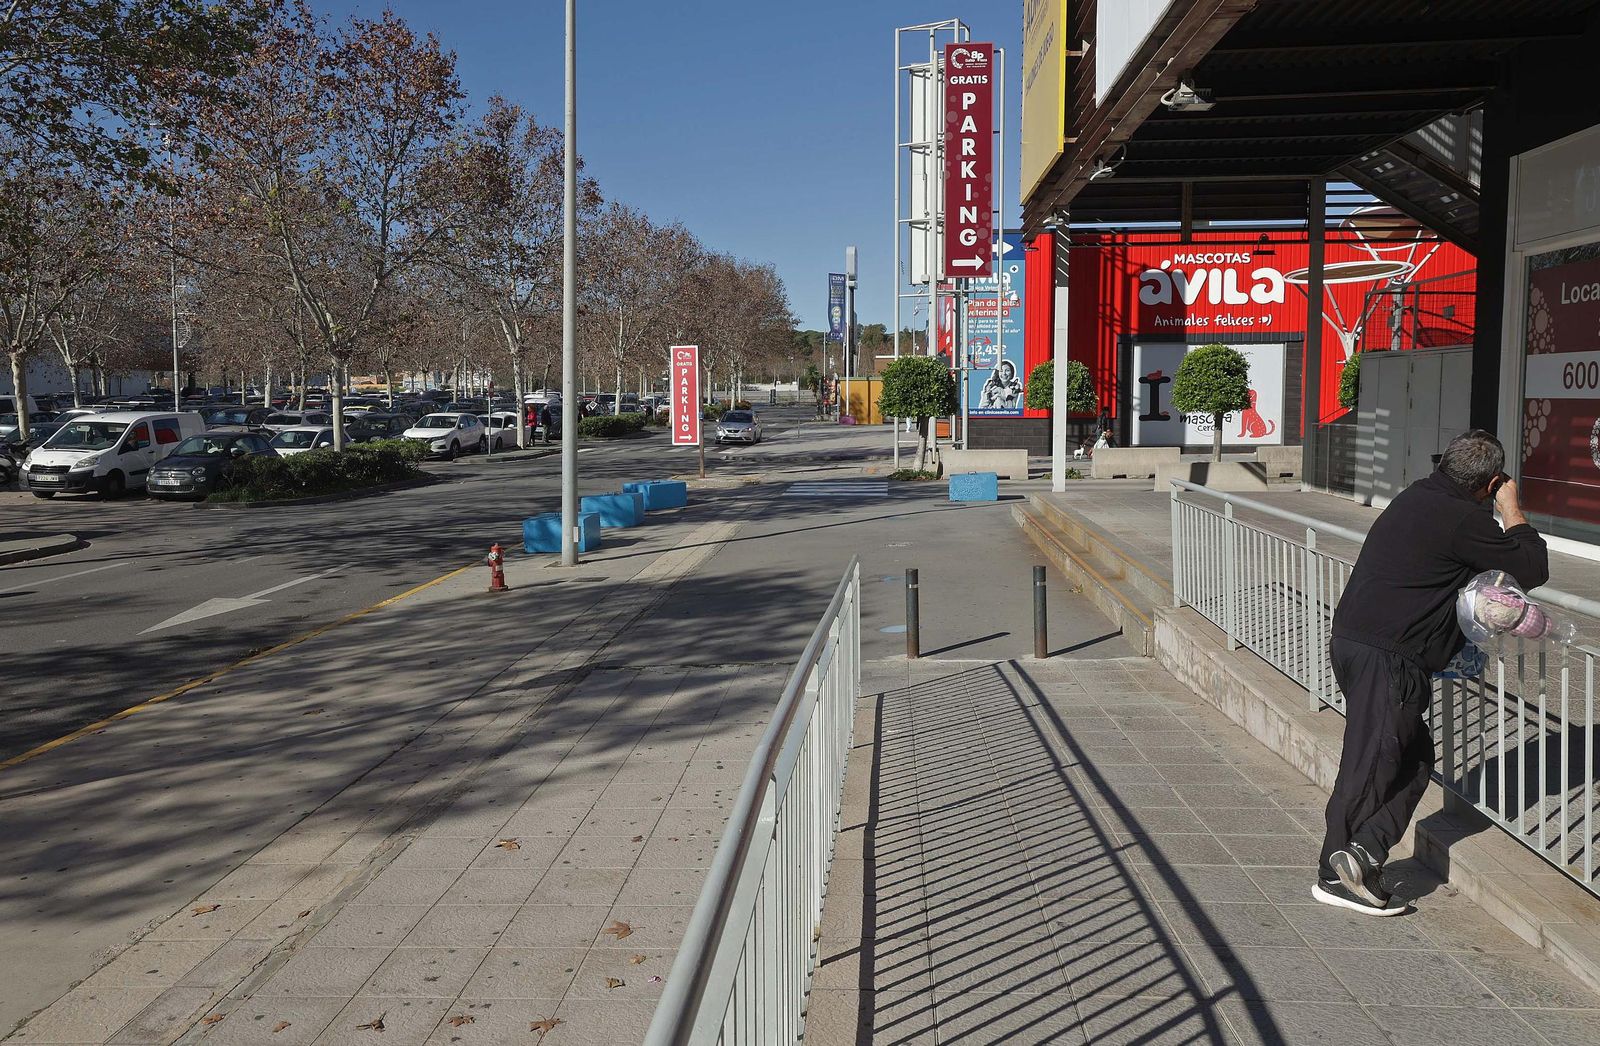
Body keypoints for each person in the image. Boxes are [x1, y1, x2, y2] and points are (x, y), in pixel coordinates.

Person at [1316, 430, 1548, 916]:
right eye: (1495, 486)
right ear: (1488, 483)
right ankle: (1334, 876)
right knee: (1373, 764)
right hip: (1388, 657)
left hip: (1357, 641)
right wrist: (1512, 508)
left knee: (1413, 758)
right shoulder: (1462, 517)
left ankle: (1362, 854)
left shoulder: (1417, 495)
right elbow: (1532, 565)